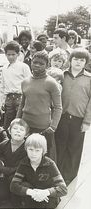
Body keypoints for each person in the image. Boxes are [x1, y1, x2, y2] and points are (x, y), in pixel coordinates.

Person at [17, 51, 62, 162]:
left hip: (44, 128)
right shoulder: (25, 82)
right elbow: (22, 104)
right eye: (35, 62)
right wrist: (18, 122)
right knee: (27, 154)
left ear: (47, 65)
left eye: (41, 64)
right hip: (26, 125)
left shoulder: (51, 83)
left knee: (44, 157)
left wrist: (53, 126)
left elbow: (58, 107)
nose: (37, 65)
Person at [55, 48, 91, 184]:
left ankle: (70, 177)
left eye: (82, 60)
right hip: (62, 117)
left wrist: (87, 121)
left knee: (74, 147)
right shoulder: (62, 75)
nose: (78, 62)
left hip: (79, 118)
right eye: (75, 59)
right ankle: (57, 175)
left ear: (86, 63)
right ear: (70, 60)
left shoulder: (89, 78)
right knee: (60, 145)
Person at [10, 133, 67, 209]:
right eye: (30, 149)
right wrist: (32, 192)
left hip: (47, 197)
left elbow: (63, 189)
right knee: (23, 186)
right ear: (26, 149)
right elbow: (13, 186)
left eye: (37, 150)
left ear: (43, 151)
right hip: (31, 195)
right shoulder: (24, 163)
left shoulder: (49, 164)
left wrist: (45, 193)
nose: (33, 154)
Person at [0, 118, 29, 208]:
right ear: (9, 130)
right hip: (5, 177)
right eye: (15, 128)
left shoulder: (27, 148)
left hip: (21, 178)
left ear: (26, 134)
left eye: (21, 130)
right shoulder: (5, 144)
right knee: (1, 195)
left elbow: (19, 169)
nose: (18, 131)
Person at [0, 41, 31, 130]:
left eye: (13, 54)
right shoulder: (4, 68)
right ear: (5, 54)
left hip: (20, 98)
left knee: (20, 122)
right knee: (8, 123)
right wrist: (3, 100)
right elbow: (3, 85)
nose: (10, 57)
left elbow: (29, 83)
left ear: (18, 54)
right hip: (9, 99)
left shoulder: (23, 67)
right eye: (8, 54)